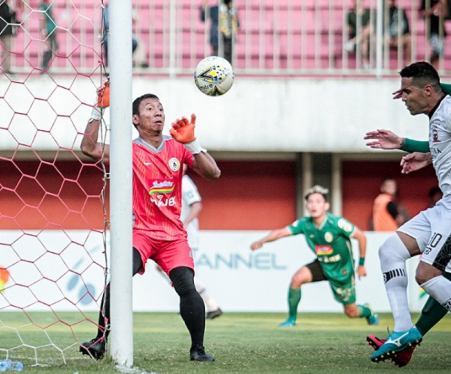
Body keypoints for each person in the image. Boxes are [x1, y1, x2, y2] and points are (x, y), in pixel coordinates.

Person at [78, 83, 221, 361]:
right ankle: (99, 341)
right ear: (135, 119)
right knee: (118, 279)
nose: (158, 113)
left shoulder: (178, 147)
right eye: (149, 108)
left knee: (187, 287)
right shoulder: (127, 150)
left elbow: (213, 173)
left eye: (160, 108)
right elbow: (88, 148)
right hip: (140, 233)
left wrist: (193, 143)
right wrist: (99, 108)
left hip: (173, 237)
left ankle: (198, 350)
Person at [362, 61, 451, 364]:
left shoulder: (448, 108)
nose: (403, 98)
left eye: (407, 91)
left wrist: (442, 88)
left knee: (428, 274)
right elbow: (442, 144)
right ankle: (403, 331)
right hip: (444, 208)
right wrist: (410, 146)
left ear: (429, 90)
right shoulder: (438, 113)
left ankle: (408, 335)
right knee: (390, 250)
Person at [250, 185, 378, 328]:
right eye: (310, 202)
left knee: (351, 312)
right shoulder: (305, 224)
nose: (313, 205)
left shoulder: (337, 223)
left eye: (318, 201)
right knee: (296, 279)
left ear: (326, 205)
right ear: (306, 206)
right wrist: (262, 241)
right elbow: (281, 232)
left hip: (342, 270)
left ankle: (368, 311)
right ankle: (291, 320)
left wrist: (361, 264)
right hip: (322, 264)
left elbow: (361, 237)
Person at [156, 166, 223, 320]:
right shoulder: (165, 183)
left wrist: (184, 224)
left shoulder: (184, 182)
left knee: (184, 272)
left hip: (185, 236)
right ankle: (191, 300)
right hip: (171, 235)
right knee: (163, 267)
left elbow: (197, 204)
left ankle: (210, 305)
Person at [344, 0, 374, 69]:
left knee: (369, 28)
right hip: (360, 37)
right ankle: (365, 63)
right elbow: (347, 27)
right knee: (364, 40)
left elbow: (372, 25)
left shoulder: (369, 12)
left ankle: (352, 42)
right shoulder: (350, 15)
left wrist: (364, 29)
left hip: (371, 37)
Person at [419, 0, 447, 69]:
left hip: (441, 29)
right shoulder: (426, 1)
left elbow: (446, 14)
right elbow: (422, 14)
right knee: (438, 49)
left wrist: (443, 5)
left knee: (440, 50)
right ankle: (430, 66)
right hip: (431, 29)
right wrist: (433, 10)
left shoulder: (442, 1)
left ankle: (434, 68)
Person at [0, 0, 19, 74]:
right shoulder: (3, 5)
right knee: (7, 51)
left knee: (8, 51)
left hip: (7, 31)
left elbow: (10, 19)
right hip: (5, 32)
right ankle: (6, 69)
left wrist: (19, 23)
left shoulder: (5, 5)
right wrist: (14, 12)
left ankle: (7, 68)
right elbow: (7, 16)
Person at [40, 0, 58, 72]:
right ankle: (44, 67)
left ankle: (45, 66)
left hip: (52, 29)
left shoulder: (48, 5)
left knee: (54, 47)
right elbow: (43, 18)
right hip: (48, 30)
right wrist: (43, 31)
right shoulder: (43, 6)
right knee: (49, 48)